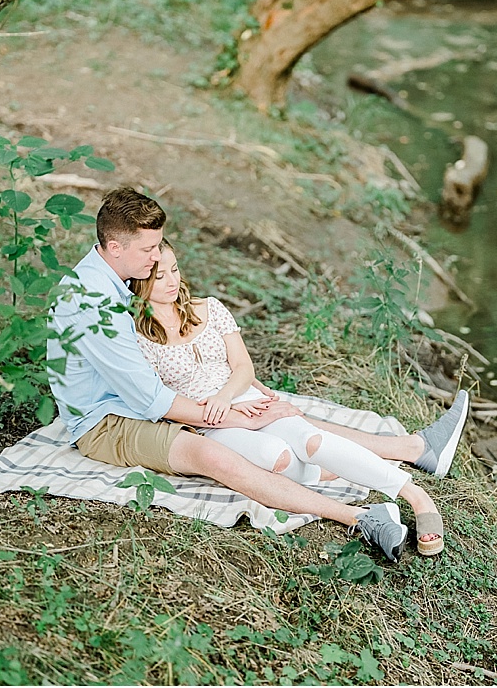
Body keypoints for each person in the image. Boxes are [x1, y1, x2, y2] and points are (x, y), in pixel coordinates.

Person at [46, 188, 467, 561]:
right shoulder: (93, 304)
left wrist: (249, 401)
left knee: (286, 417)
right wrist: (242, 415)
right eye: (150, 250)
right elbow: (153, 401)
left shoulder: (108, 276)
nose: (159, 258)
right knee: (213, 454)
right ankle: (359, 515)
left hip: (137, 405)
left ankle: (412, 452)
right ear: (115, 247)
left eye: (159, 249)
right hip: (106, 423)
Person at [129, 238, 470, 556]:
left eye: (174, 270)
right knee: (273, 456)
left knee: (312, 441)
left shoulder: (209, 308)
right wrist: (218, 411)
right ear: (141, 282)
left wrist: (229, 396)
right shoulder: (138, 338)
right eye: (160, 276)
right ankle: (335, 475)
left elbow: (244, 367)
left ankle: (415, 495)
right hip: (210, 422)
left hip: (246, 396)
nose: (172, 281)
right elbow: (161, 402)